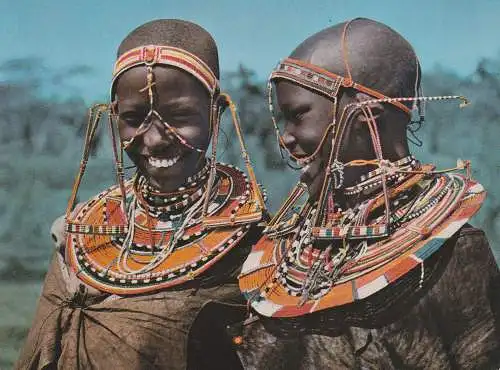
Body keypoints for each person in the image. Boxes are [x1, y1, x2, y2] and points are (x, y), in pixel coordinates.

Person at [237, 18, 500, 369]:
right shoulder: (286, 251)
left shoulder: (453, 253)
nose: (284, 137)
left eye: (298, 115)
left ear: (368, 118)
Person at [16, 19, 266, 370]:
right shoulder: (77, 234)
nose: (153, 138)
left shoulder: (257, 241)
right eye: (134, 118)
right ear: (114, 115)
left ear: (216, 112)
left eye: (179, 116)